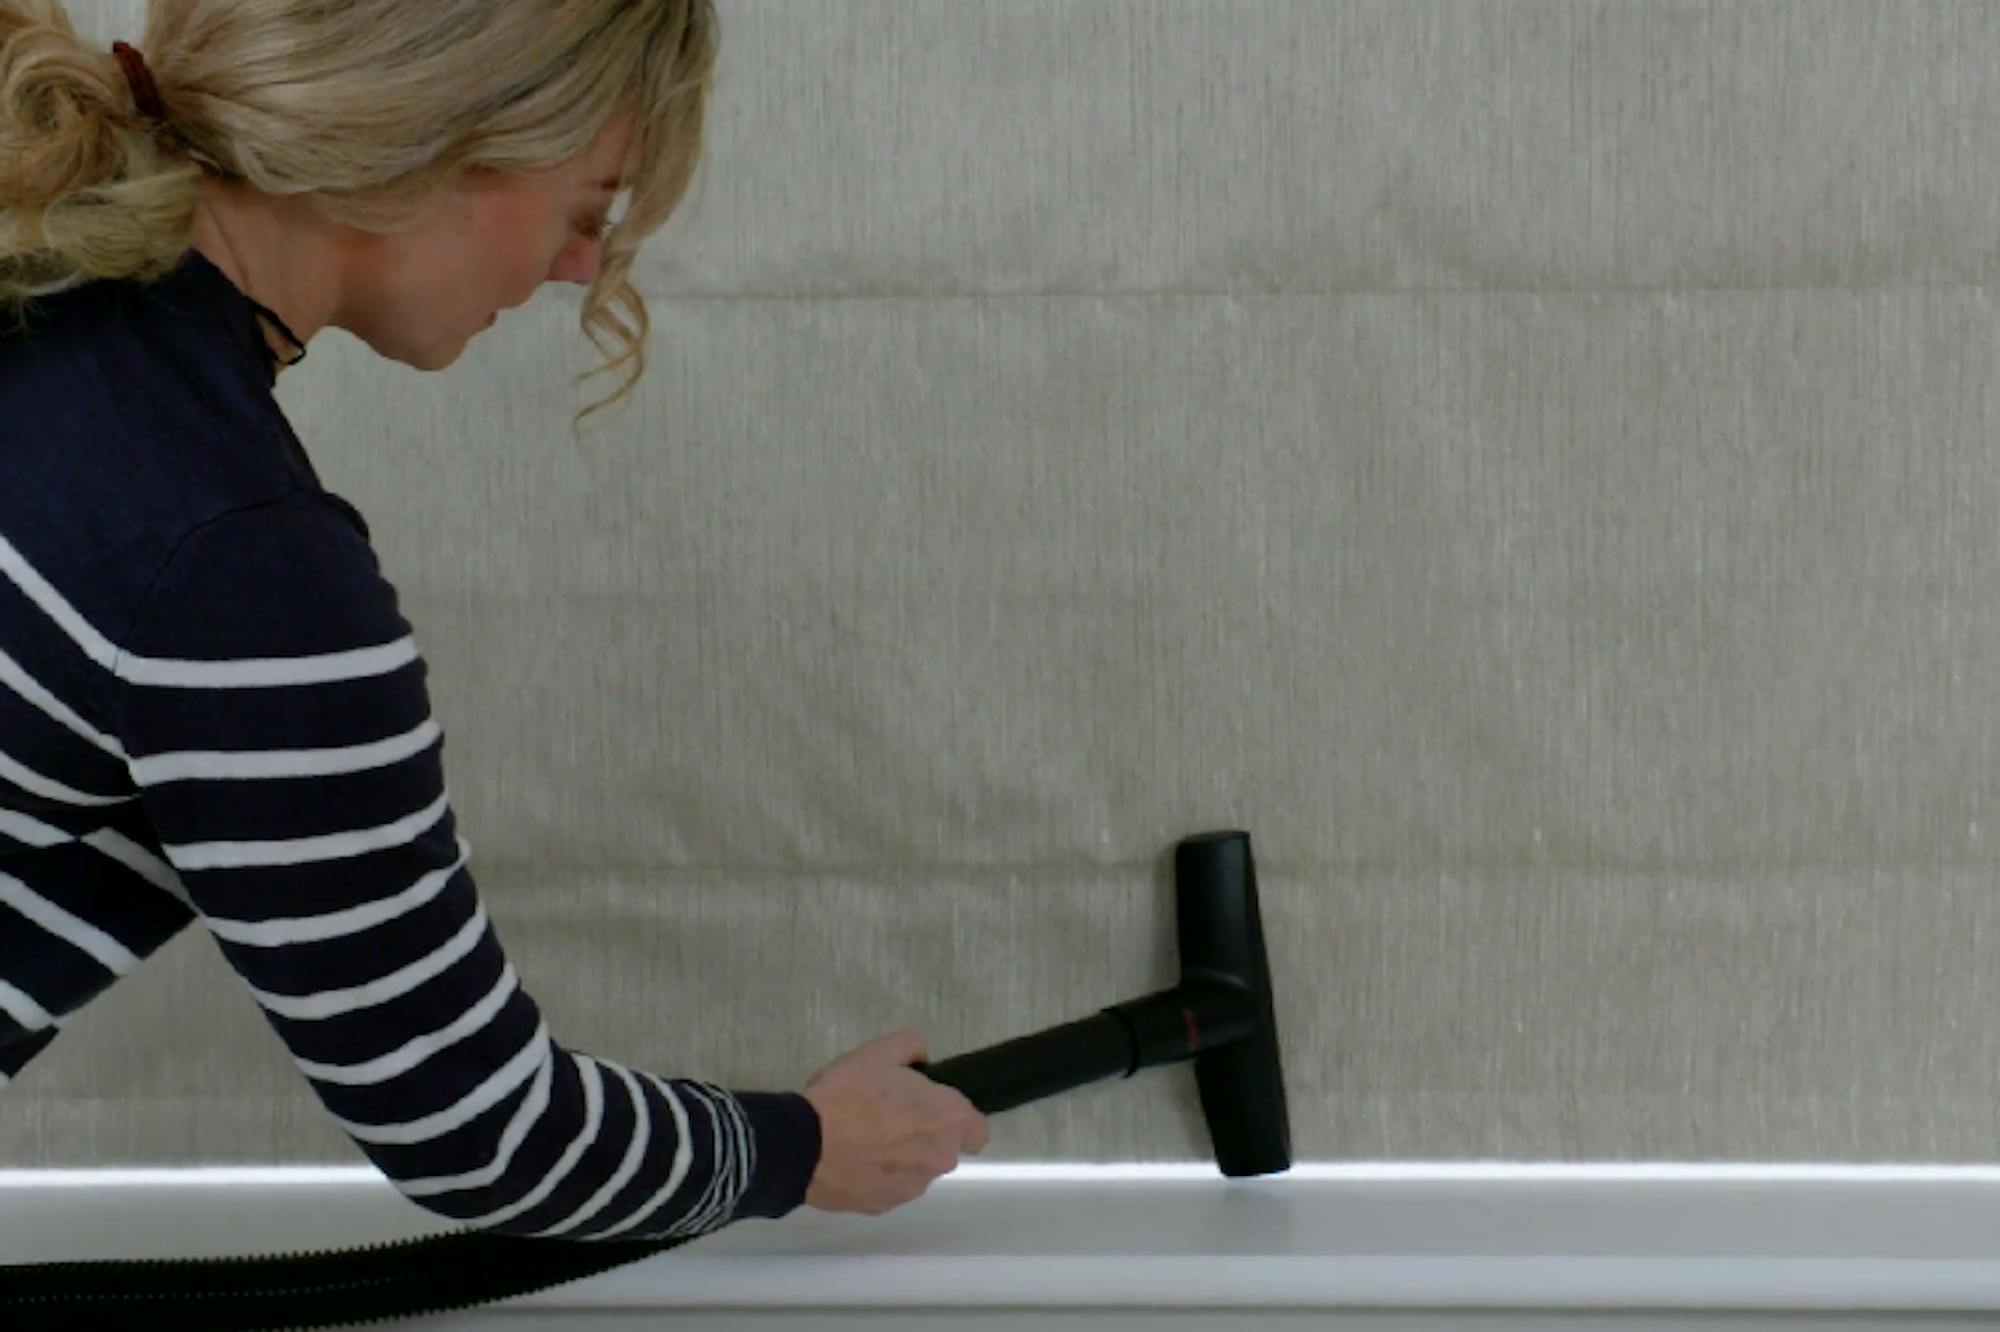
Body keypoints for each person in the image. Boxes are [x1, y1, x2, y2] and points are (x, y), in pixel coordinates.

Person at [0, 0, 988, 1240]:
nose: (581, 269)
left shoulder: (46, 333)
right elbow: (483, 1135)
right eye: (589, 207)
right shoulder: (232, 560)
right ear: (451, 137)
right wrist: (805, 1145)